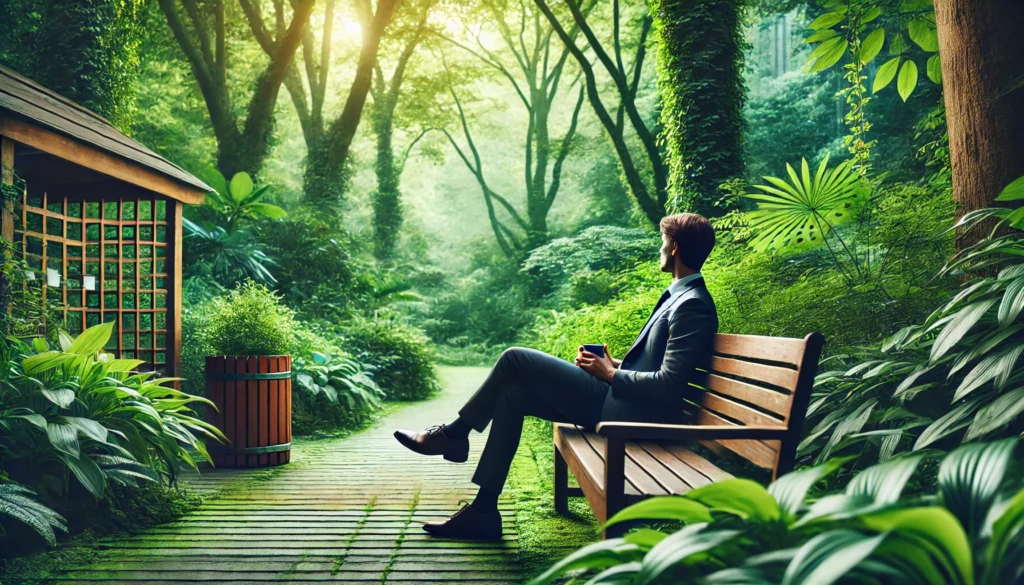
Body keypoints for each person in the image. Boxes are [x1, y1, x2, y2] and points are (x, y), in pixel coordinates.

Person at [394, 213, 718, 540]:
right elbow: (658, 369)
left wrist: (608, 374)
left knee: (514, 358)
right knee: (512, 396)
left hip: (626, 417)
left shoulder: (692, 305)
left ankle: (454, 435)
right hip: (620, 403)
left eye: (663, 241)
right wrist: (613, 365)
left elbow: (668, 385)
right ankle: (484, 512)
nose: (659, 247)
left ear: (674, 247)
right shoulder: (682, 297)